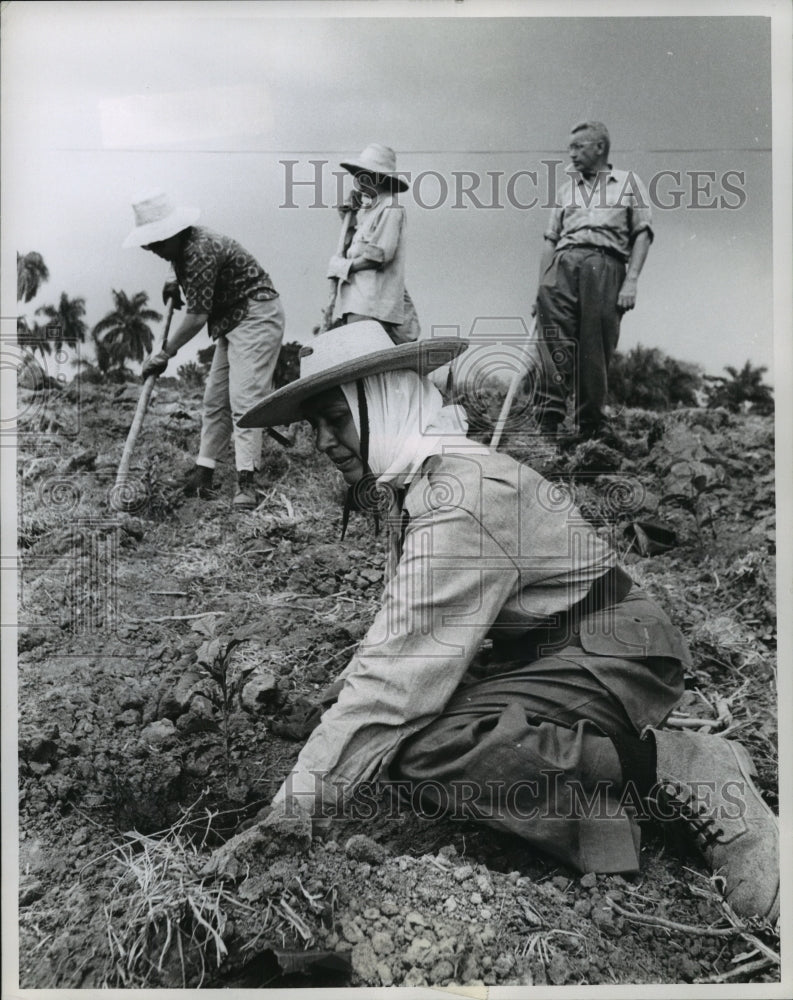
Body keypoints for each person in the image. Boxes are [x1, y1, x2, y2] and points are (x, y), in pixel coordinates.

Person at [212, 320, 779, 924]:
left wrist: (285, 824)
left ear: (384, 401)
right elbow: (402, 640)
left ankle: (681, 767)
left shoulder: (460, 498)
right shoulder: (424, 480)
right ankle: (616, 808)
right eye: (316, 425)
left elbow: (391, 687)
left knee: (426, 742)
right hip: (551, 652)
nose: (325, 440)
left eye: (336, 417)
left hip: (617, 652)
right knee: (400, 730)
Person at [124, 190, 285, 510]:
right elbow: (176, 262)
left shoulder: (199, 251)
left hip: (256, 314)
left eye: (157, 243)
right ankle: (204, 472)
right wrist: (173, 280)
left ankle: (247, 483)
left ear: (173, 233)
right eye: (150, 244)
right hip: (230, 320)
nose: (153, 250)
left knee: (244, 402)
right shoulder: (181, 248)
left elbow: (196, 316)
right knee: (214, 399)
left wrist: (165, 353)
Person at [534, 122, 653, 441]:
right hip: (563, 263)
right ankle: (548, 420)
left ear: (600, 147)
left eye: (579, 147)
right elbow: (550, 238)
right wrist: (543, 283)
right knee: (551, 342)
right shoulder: (565, 189)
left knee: (594, 344)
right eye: (570, 148)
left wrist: (632, 282)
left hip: (605, 264)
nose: (571, 154)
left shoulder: (629, 183)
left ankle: (589, 426)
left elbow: (643, 233)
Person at [326, 144, 420, 344]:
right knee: (354, 363)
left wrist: (343, 267)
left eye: (364, 174)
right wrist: (348, 220)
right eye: (358, 174)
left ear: (379, 178)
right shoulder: (368, 212)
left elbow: (378, 256)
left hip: (370, 306)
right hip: (353, 302)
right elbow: (350, 249)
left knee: (364, 365)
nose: (358, 179)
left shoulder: (391, 208)